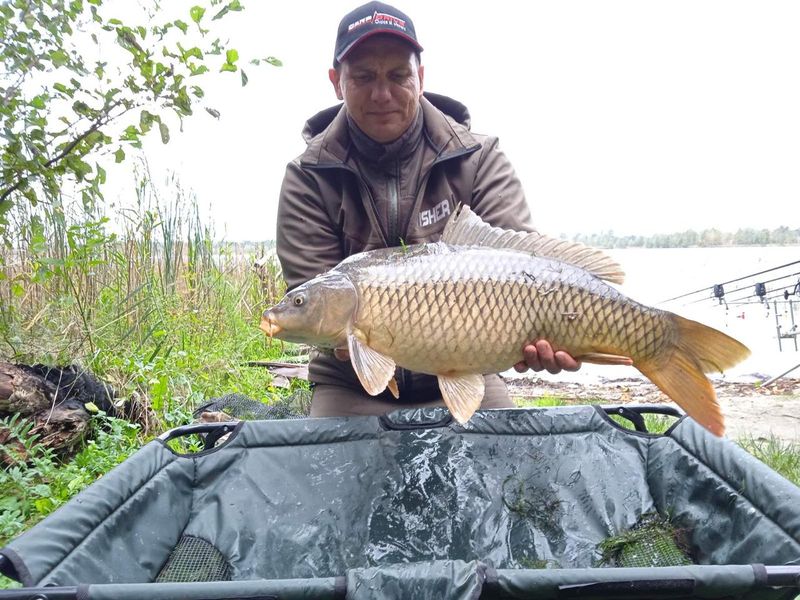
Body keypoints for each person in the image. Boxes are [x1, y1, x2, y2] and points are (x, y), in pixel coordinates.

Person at [276, 1, 579, 417]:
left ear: (420, 77)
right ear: (336, 82)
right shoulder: (308, 176)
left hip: (469, 368)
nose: (381, 94)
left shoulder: (478, 157)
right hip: (352, 386)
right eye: (363, 77)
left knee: (507, 470)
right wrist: (357, 343)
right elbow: (314, 301)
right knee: (334, 476)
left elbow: (524, 268)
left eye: (398, 75)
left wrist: (551, 335)